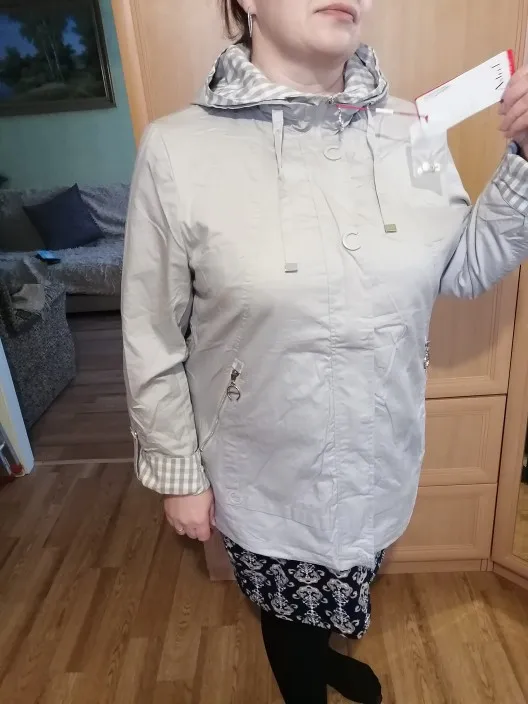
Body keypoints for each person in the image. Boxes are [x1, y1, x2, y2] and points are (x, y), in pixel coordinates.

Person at [122, 1, 528, 701]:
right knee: (286, 613)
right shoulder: (177, 150)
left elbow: (463, 266)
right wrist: (179, 473)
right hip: (262, 470)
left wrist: (525, 159)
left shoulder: (412, 129)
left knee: (347, 582)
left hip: (379, 452)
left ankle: (325, 660)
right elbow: (151, 331)